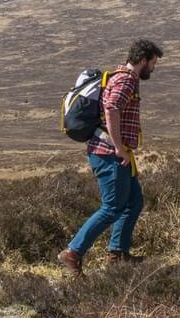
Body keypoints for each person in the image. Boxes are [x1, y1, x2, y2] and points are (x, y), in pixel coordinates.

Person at [58, 38, 163, 277]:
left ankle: (118, 255)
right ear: (143, 59)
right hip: (109, 154)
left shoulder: (123, 78)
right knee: (113, 207)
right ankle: (73, 252)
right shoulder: (126, 79)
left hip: (115, 153)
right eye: (153, 63)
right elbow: (112, 108)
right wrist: (118, 147)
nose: (154, 68)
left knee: (134, 202)